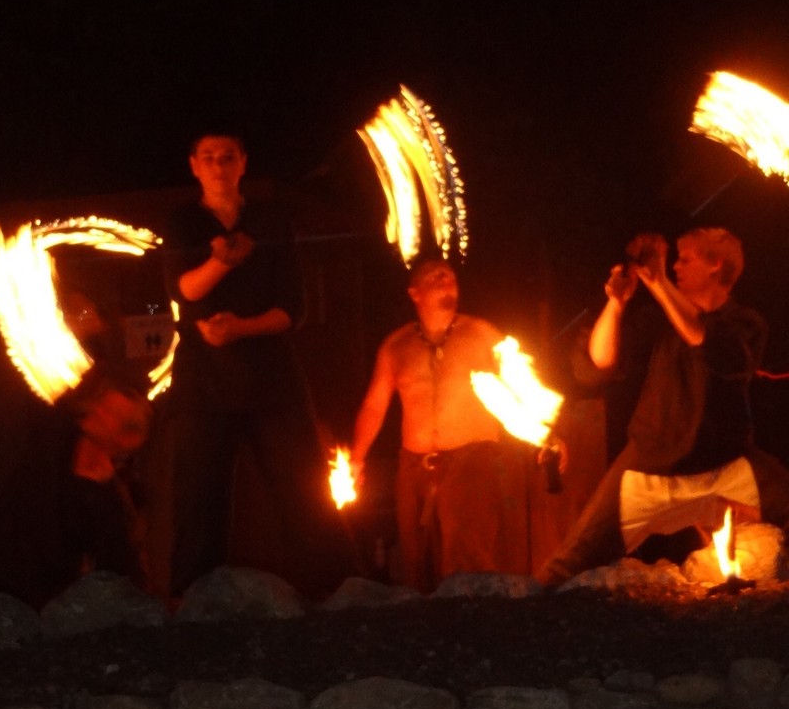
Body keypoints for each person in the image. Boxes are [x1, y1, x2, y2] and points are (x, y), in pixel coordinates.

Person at [536, 227, 789, 587]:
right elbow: (600, 362)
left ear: (715, 265)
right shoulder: (656, 321)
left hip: (727, 464)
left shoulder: (745, 323)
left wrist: (658, 283)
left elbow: (709, 342)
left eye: (685, 260)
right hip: (649, 467)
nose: (675, 268)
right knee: (564, 567)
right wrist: (617, 303)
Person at [160, 130, 353, 599]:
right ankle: (195, 603)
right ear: (194, 165)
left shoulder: (269, 219)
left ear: (243, 163)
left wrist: (241, 328)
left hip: (271, 377)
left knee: (304, 489)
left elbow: (292, 308)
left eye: (227, 156)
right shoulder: (183, 222)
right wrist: (222, 263)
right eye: (208, 157)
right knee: (199, 496)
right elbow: (182, 289)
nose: (218, 166)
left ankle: (337, 595)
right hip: (205, 378)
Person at [349, 257, 533, 593]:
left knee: (466, 563)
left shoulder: (482, 334)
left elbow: (524, 385)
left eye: (450, 277)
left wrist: (549, 434)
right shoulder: (396, 346)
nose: (447, 281)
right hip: (414, 469)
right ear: (415, 293)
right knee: (417, 564)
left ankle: (473, 619)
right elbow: (374, 405)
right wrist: (357, 458)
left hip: (471, 462)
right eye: (436, 277)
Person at [0, 361, 152, 608]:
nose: (98, 411)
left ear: (124, 437)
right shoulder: (57, 437)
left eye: (111, 413)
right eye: (102, 404)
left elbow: (122, 571)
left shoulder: (107, 501)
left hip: (36, 604)